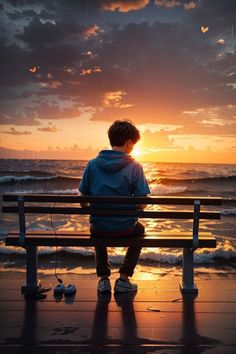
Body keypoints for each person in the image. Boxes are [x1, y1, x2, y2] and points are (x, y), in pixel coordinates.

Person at [79, 120, 150, 294]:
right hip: (126, 228)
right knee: (140, 230)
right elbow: (142, 203)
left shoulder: (92, 164)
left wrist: (94, 209)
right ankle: (124, 278)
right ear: (128, 142)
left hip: (100, 228)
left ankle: (103, 279)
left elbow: (82, 200)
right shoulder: (135, 166)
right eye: (133, 143)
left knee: (96, 225)